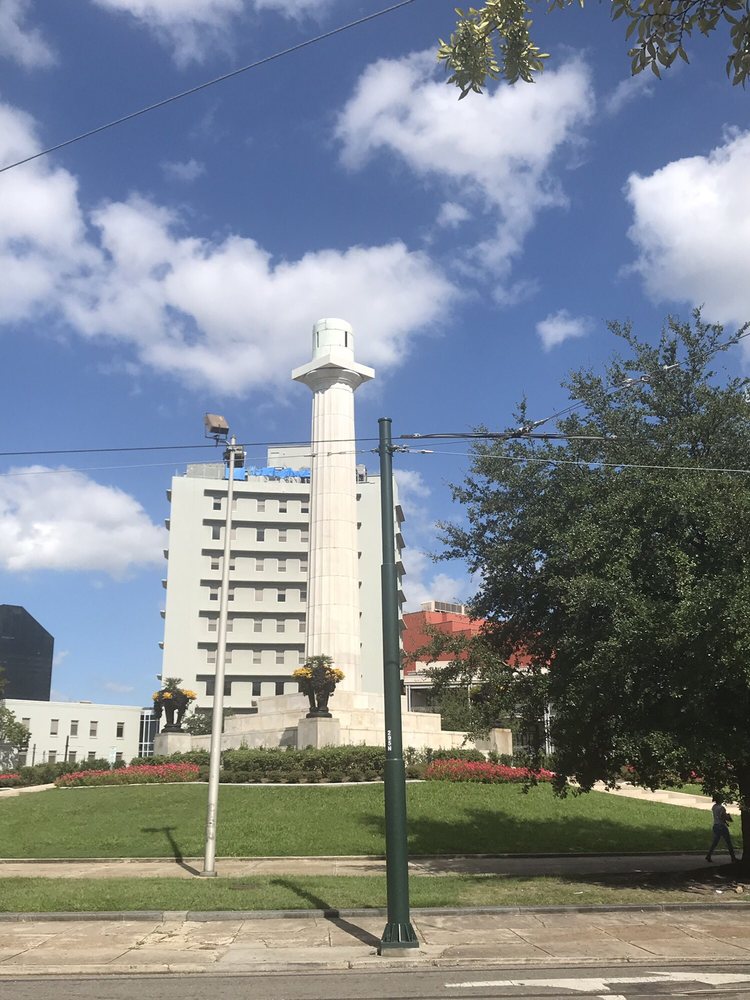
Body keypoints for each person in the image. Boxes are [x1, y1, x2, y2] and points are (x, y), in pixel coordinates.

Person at [706, 795, 738, 863]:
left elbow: (718, 816)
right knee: (728, 842)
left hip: (715, 825)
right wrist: (729, 817)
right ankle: (733, 858)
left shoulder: (714, 807)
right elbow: (723, 816)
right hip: (721, 827)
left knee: (715, 842)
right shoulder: (722, 808)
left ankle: (709, 855)